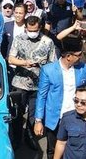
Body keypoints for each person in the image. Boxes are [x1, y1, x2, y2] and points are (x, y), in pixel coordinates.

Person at [34, 38, 86, 159]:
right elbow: (42, 95)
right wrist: (38, 120)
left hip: (76, 116)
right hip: (55, 117)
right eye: (78, 54)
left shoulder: (83, 68)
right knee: (53, 147)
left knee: (75, 146)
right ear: (68, 56)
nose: (81, 57)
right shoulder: (48, 70)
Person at [8, 16, 56, 148]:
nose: (32, 32)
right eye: (29, 30)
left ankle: (30, 137)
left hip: (39, 84)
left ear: (40, 28)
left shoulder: (48, 42)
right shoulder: (19, 39)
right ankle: (16, 139)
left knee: (34, 115)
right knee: (17, 113)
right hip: (20, 82)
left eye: (34, 30)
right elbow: (11, 59)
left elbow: (52, 64)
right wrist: (24, 63)